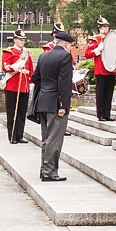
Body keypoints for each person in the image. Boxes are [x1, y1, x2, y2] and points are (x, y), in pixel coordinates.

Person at [31, 31, 75, 182]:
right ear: (66, 44)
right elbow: (64, 83)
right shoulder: (65, 56)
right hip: (56, 103)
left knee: (46, 138)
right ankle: (49, 172)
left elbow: (35, 78)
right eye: (71, 46)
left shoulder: (44, 56)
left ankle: (44, 169)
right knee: (54, 139)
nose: (70, 49)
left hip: (43, 101)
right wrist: (63, 105)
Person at [2, 29, 34, 144]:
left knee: (21, 112)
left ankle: (19, 135)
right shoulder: (9, 52)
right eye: (20, 40)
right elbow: (5, 67)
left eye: (24, 40)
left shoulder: (27, 53)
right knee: (12, 112)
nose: (22, 42)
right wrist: (17, 67)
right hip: (12, 86)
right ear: (15, 40)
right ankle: (12, 136)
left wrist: (30, 81)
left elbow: (30, 70)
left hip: (24, 86)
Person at [84, 17, 116, 122]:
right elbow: (87, 54)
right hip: (101, 69)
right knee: (101, 93)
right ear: (99, 28)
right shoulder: (95, 39)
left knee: (109, 93)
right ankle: (100, 114)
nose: (105, 29)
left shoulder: (112, 38)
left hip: (111, 69)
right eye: (103, 27)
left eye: (106, 27)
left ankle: (107, 113)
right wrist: (97, 49)